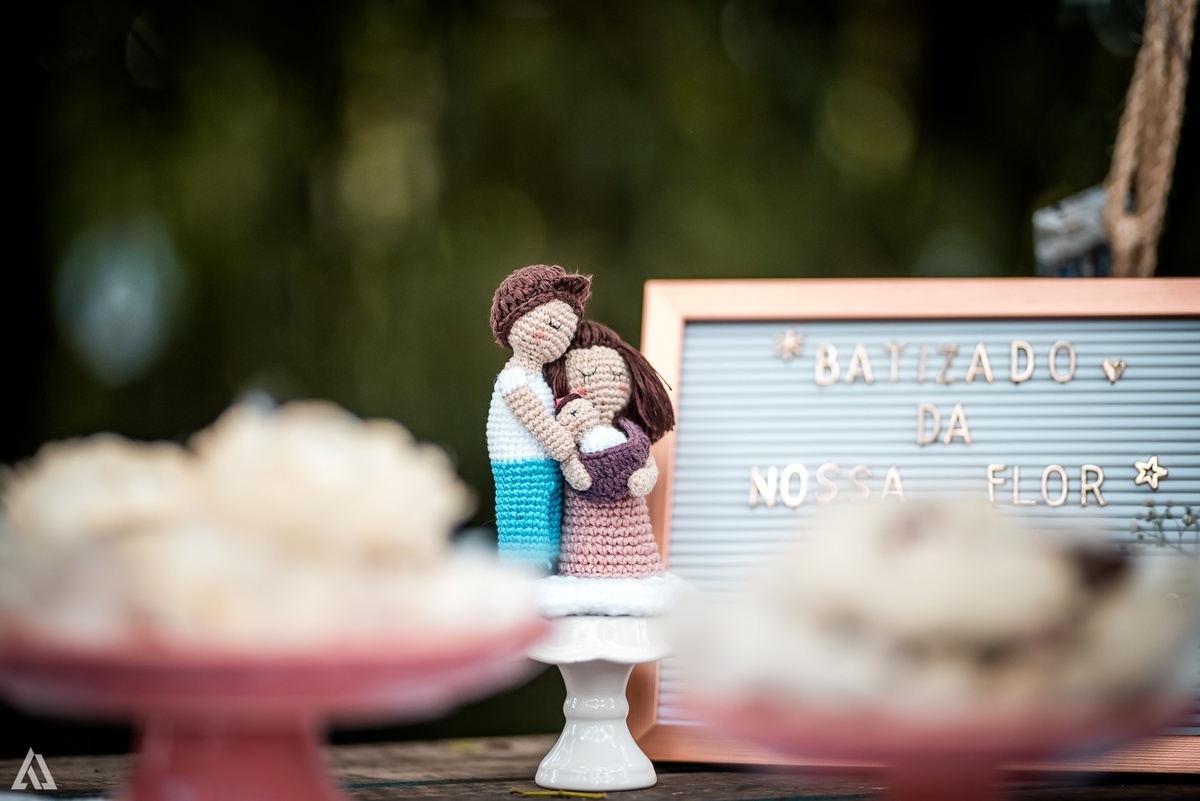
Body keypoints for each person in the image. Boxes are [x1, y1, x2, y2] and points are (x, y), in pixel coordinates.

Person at [545, 321, 675, 578]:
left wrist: (645, 476)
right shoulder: (571, 435)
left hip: (631, 524)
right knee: (584, 547)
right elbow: (568, 460)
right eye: (587, 376)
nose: (605, 385)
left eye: (617, 376)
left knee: (635, 547)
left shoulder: (632, 436)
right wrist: (574, 471)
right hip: (584, 527)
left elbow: (646, 462)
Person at [487, 265, 592, 571]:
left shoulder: (542, 380)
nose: (555, 336)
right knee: (525, 512)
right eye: (550, 324)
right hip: (518, 462)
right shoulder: (513, 378)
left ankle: (552, 561)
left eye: (564, 331)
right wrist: (559, 440)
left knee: (550, 510)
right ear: (514, 321)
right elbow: (536, 419)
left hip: (546, 462)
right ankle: (525, 566)